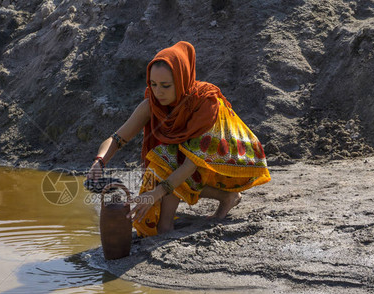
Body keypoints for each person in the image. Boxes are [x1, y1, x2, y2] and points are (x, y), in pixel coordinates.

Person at [87, 41, 271, 237]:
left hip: (232, 160)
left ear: (182, 80)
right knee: (163, 165)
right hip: (193, 159)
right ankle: (228, 197)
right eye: (154, 84)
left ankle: (166, 228)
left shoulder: (205, 103)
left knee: (165, 160)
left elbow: (190, 164)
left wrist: (156, 193)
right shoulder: (153, 104)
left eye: (166, 86)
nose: (158, 92)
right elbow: (117, 138)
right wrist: (99, 161)